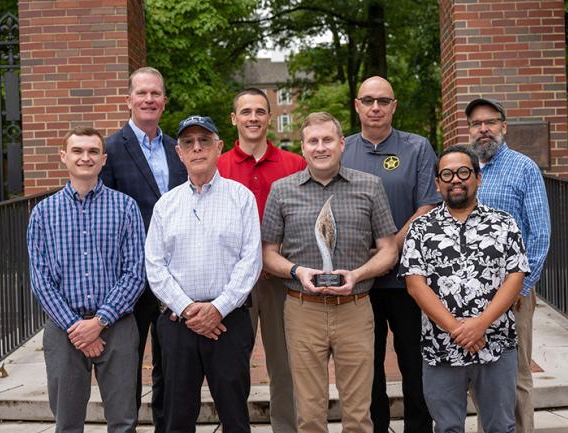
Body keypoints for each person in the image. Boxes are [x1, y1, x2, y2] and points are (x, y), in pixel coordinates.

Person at [262, 112, 398, 433]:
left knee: (358, 414)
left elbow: (390, 249)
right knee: (308, 414)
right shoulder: (281, 191)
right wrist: (297, 271)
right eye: (313, 141)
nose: (320, 147)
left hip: (355, 308)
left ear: (341, 144)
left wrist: (358, 274)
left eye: (327, 140)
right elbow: (268, 254)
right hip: (302, 308)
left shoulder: (370, 186)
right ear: (303, 147)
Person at [401, 145, 530, 433]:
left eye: (463, 172)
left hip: (496, 343)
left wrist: (480, 325)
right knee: (447, 428)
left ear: (478, 177)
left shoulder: (504, 223)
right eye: (446, 174)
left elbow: (515, 276)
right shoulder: (420, 228)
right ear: (437, 183)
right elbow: (414, 284)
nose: (455, 179)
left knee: (502, 427)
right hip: (441, 347)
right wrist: (458, 330)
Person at [146, 115, 262, 433]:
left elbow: (250, 260)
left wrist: (217, 308)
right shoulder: (165, 206)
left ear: (219, 147)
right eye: (188, 143)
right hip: (177, 323)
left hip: (229, 322)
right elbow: (155, 267)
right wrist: (188, 309)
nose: (197, 148)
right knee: (176, 417)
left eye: (204, 141)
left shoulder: (241, 199)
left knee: (235, 416)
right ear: (179, 153)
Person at [27, 126, 146, 433]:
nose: (85, 157)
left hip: (117, 326)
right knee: (67, 423)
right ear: (64, 157)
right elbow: (40, 280)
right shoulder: (42, 213)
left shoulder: (125, 207)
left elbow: (135, 272)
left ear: (104, 159)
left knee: (123, 421)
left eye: (93, 151)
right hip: (63, 330)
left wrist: (99, 322)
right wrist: (75, 327)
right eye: (77, 151)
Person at [341, 76, 437, 433]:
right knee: (366, 366)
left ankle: (418, 427)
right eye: (368, 100)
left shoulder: (417, 148)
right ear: (357, 105)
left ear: (394, 106)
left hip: (408, 279)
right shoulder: (342, 149)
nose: (375, 107)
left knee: (414, 361)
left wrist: (392, 246)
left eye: (383, 101)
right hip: (359, 282)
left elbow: (428, 203)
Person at [100, 66, 188, 432]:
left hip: (174, 274)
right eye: (142, 93)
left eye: (156, 93)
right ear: (129, 100)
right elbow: (103, 215)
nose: (149, 99)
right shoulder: (110, 150)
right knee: (127, 363)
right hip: (131, 276)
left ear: (164, 101)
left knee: (170, 360)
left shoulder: (178, 149)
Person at [217, 87, 306, 433]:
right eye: (246, 112)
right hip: (233, 285)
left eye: (259, 112)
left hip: (280, 282)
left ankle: (287, 427)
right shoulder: (218, 166)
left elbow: (303, 219)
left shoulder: (294, 164)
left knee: (285, 365)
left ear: (270, 117)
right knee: (231, 364)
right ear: (234, 118)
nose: (252, 118)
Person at [465, 98, 551, 433]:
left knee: (515, 375)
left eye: (490, 122)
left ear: (504, 126)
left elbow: (541, 233)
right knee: (478, 374)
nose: (483, 129)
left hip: (513, 291)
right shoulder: (464, 169)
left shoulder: (523, 168)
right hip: (469, 293)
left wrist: (524, 288)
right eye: (476, 123)